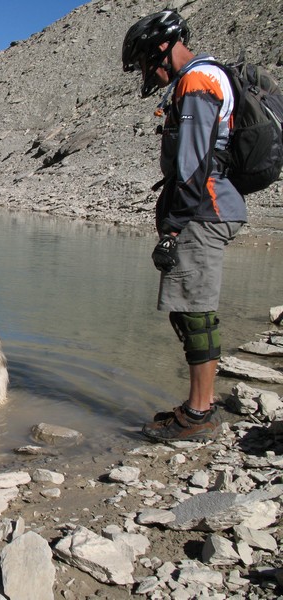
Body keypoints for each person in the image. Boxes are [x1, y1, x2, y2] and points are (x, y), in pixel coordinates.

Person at [121, 10, 247, 441]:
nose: (143, 71)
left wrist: (173, 228)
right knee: (188, 310)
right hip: (206, 210)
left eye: (142, 60)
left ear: (161, 46)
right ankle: (197, 405)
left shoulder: (196, 82)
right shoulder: (202, 78)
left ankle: (198, 415)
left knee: (195, 313)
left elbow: (191, 163)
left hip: (203, 213)